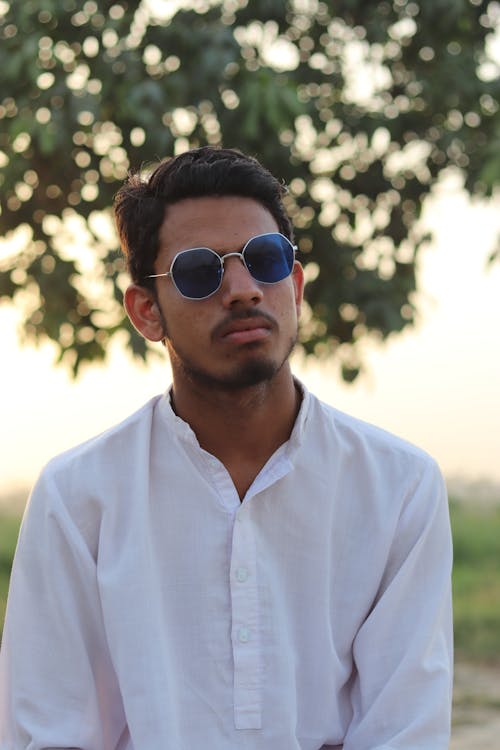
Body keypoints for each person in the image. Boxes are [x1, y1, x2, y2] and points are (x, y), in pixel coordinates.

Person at [0, 146, 453, 750]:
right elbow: (52, 732)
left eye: (264, 261)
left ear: (293, 283)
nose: (242, 290)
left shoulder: (399, 487)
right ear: (145, 312)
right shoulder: (79, 498)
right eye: (198, 271)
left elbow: (406, 731)